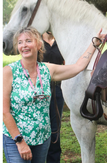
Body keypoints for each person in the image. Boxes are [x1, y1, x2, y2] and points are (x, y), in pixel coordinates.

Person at [3, 26, 104, 163]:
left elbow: (77, 67)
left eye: (28, 41)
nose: (24, 45)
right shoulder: (8, 72)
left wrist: (94, 44)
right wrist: (19, 141)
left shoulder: (47, 70)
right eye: (20, 42)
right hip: (17, 140)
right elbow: (4, 112)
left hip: (42, 139)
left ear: (39, 44)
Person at [42, 31, 65, 163]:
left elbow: (66, 63)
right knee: (40, 124)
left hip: (57, 88)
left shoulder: (61, 41)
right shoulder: (37, 40)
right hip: (39, 88)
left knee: (55, 127)